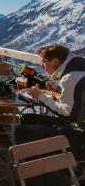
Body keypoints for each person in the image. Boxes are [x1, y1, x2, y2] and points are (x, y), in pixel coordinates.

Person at [13, 46, 85, 186]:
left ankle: (46, 178)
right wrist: (58, 89)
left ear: (55, 61)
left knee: (23, 131)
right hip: (79, 124)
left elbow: (68, 114)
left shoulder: (70, 78)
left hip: (80, 136)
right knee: (28, 119)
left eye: (44, 61)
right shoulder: (78, 67)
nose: (42, 65)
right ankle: (60, 168)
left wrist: (40, 95)